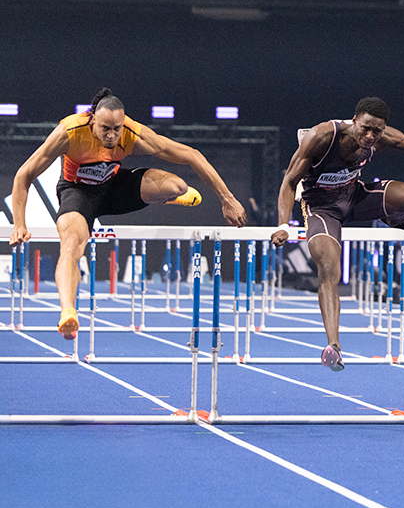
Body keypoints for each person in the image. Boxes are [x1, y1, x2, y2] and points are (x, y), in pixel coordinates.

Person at [8, 88, 248, 339]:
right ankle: (68, 311)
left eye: (117, 128)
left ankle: (167, 197)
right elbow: (24, 175)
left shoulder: (133, 133)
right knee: (71, 245)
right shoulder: (69, 133)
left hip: (113, 188)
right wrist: (20, 225)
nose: (112, 135)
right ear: (92, 120)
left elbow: (192, 155)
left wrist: (227, 199)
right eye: (105, 129)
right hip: (78, 193)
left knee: (177, 185)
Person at [270, 97, 404, 372]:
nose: (370, 136)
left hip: (355, 197)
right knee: (329, 269)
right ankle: (334, 345)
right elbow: (289, 181)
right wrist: (283, 225)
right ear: (354, 120)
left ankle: (390, 216)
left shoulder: (383, 137)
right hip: (321, 209)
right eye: (365, 128)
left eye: (376, 131)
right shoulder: (322, 136)